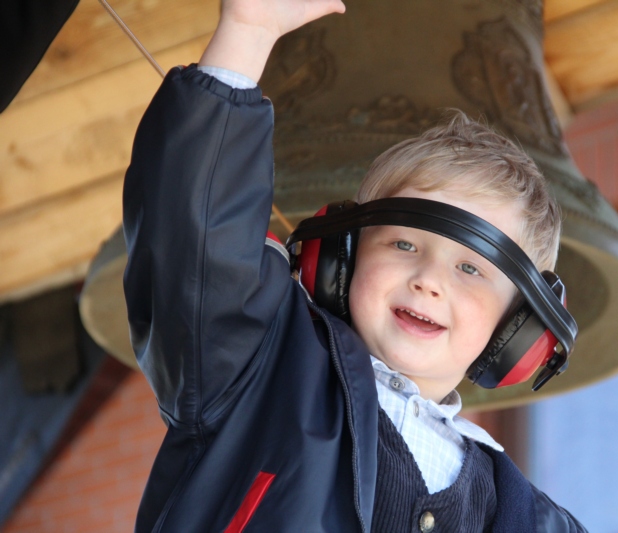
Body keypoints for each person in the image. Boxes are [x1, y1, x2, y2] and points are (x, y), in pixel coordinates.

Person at [122, 0, 587, 531]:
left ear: (520, 332)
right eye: (404, 246)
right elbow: (198, 247)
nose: (428, 280)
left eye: (470, 269)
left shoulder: (527, 519)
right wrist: (248, 32)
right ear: (339, 260)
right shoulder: (256, 366)